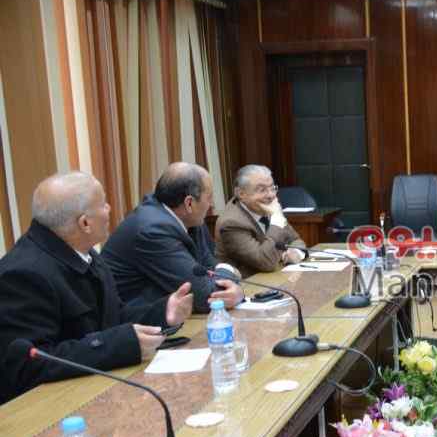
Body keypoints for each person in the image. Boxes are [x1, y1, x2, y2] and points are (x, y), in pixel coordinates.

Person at [0, 172, 193, 405]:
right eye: (102, 204)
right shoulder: (23, 274)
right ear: (84, 223)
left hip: (97, 391)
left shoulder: (84, 253)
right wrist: (117, 345)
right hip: (51, 406)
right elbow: (29, 365)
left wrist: (163, 312)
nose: (109, 209)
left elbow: (113, 317)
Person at [103, 162, 244, 313]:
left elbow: (208, 268)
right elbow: (204, 296)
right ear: (189, 203)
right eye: (209, 198)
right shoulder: (152, 231)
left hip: (171, 314)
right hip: (135, 318)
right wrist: (231, 272)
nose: (212, 204)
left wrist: (231, 287)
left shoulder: (189, 219)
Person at [215, 165, 306, 278]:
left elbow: (296, 240)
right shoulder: (231, 223)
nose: (271, 195)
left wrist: (295, 252)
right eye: (262, 190)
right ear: (241, 193)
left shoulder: (265, 208)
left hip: (276, 278)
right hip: (248, 285)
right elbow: (266, 262)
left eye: (272, 188)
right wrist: (277, 220)